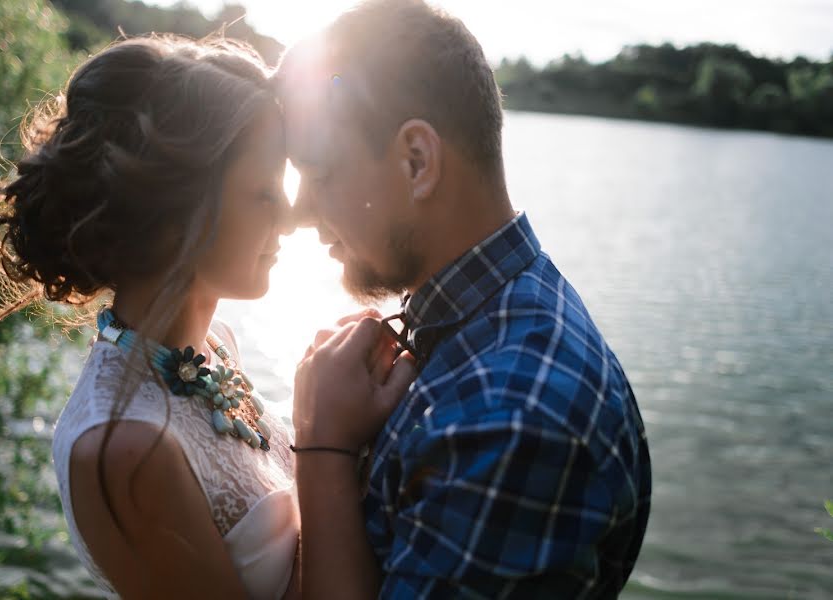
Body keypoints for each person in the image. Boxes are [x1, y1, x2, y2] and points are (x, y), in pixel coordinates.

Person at [277, 1, 652, 597]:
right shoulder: (487, 322)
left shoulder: (512, 422)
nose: (295, 213)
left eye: (321, 174)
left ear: (416, 161)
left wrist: (322, 445)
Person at [0, 36, 301, 599]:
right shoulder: (122, 445)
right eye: (263, 192)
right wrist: (332, 438)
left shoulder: (214, 343)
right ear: (175, 214)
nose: (291, 215)